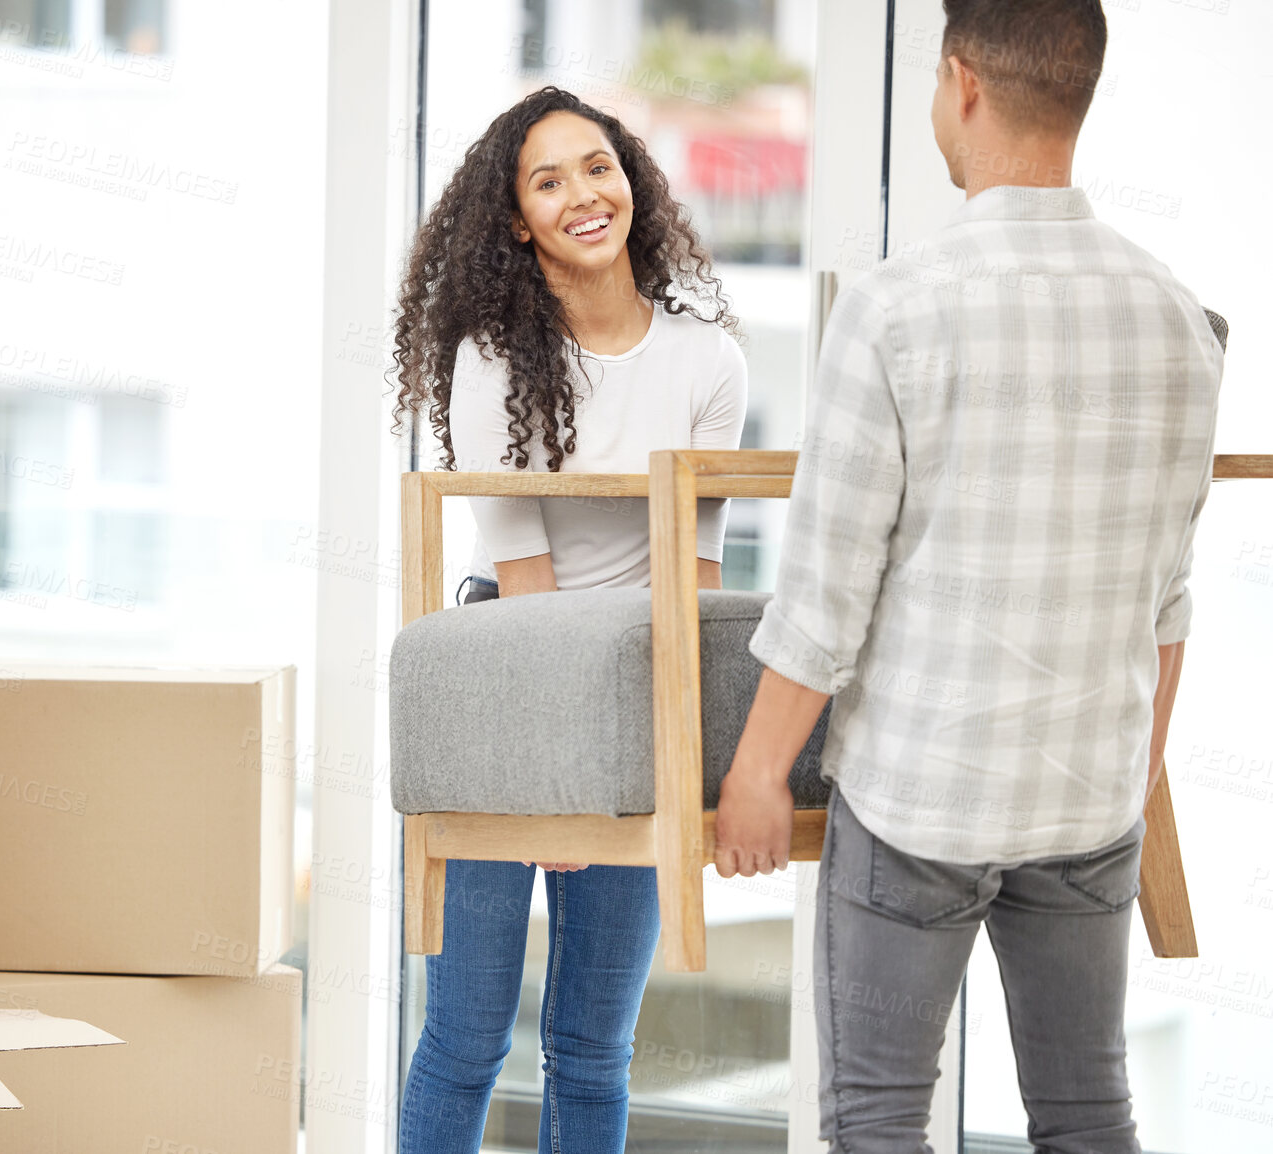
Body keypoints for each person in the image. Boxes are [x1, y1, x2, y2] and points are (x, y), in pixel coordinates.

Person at [712, 2, 1223, 1151]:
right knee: (1090, 1113)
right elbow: (1168, 596)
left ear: (961, 81)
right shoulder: (1181, 320)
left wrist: (756, 770)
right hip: (1089, 801)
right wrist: (1131, 786)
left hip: (917, 802)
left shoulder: (896, 307)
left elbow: (826, 592)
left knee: (879, 1119)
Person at [390, 86, 747, 1154]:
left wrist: (626, 760)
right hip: (504, 686)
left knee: (594, 1045)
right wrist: (561, 778)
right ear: (514, 220)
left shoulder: (708, 358)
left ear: (629, 178)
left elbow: (694, 583)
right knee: (464, 1036)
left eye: (598, 166)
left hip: (642, 687)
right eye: (548, 181)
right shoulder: (489, 360)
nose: (584, 194)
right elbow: (526, 576)